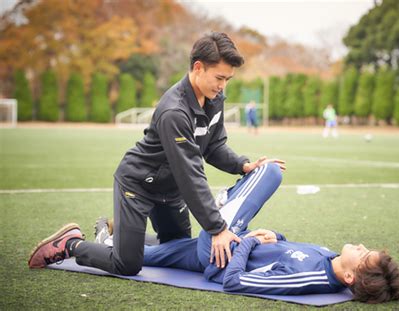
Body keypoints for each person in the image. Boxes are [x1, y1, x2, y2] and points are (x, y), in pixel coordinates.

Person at [28, 32, 285, 275]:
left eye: (228, 79)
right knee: (127, 263)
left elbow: (214, 146)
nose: (223, 85)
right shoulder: (175, 111)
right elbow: (190, 175)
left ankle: (117, 234)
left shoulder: (214, 98)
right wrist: (217, 228)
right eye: (219, 78)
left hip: (170, 191)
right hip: (138, 184)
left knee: (175, 250)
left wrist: (243, 165)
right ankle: (71, 244)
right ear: (198, 67)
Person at [96, 163, 399, 304]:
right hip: (220, 249)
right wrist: (275, 235)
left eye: (363, 253)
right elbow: (282, 250)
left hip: (221, 255)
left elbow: (235, 282)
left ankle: (219, 214)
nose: (361, 245)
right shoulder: (327, 255)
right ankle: (106, 240)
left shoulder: (311, 279)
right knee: (143, 256)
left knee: (269, 172)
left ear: (350, 277)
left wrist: (249, 241)